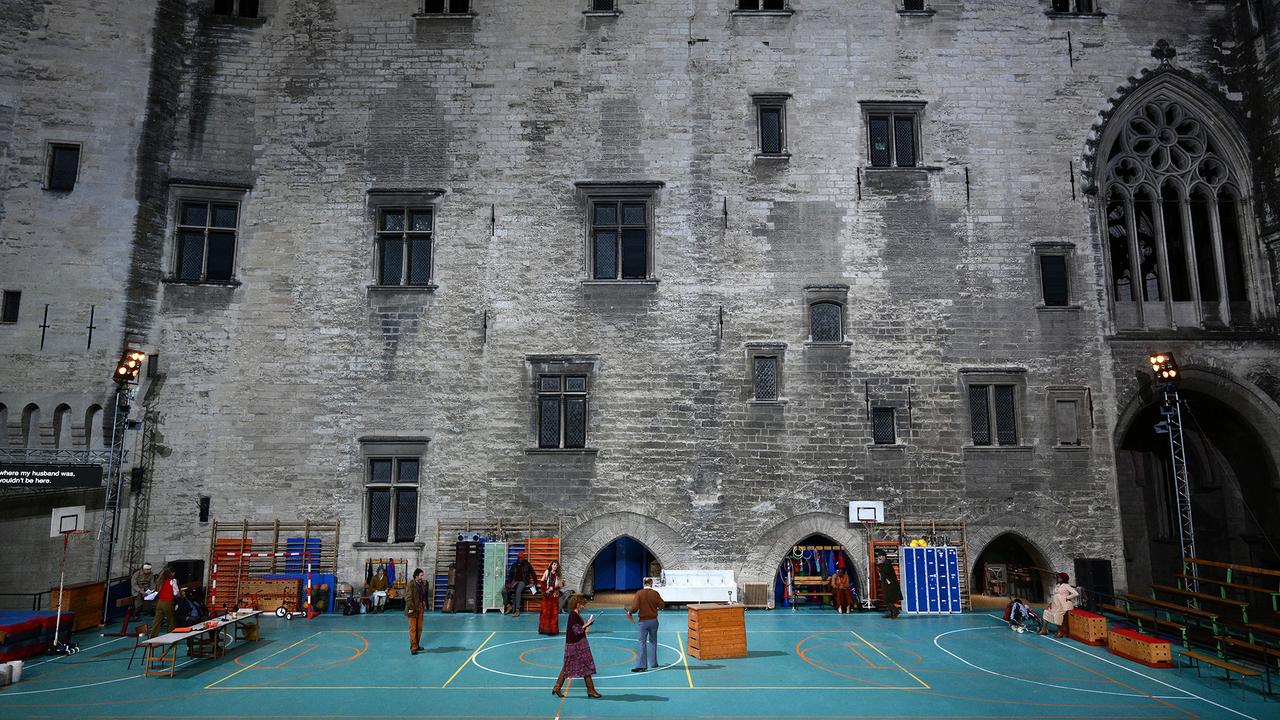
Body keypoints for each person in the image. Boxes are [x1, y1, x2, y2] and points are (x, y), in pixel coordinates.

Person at [552, 594, 601, 699]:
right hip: (576, 645)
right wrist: (587, 624)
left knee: (570, 666)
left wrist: (586, 624)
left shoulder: (575, 614)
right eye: (582, 604)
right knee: (586, 666)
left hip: (575, 644)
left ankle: (557, 687)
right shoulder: (573, 615)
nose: (584, 606)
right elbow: (577, 631)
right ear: (577, 604)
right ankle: (591, 690)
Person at [626, 577, 665, 672]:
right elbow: (662, 605)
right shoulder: (655, 593)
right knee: (653, 641)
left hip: (643, 622)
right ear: (651, 583)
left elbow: (635, 608)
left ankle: (642, 665)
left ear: (643, 583)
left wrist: (630, 612)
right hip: (654, 621)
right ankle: (654, 663)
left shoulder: (639, 593)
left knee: (642, 642)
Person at [1041, 572, 1079, 637]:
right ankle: (1044, 629)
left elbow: (1076, 593)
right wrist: (1050, 603)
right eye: (1058, 577)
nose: (1058, 579)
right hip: (1055, 604)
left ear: (1063, 579)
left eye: (1060, 578)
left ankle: (1060, 632)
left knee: (1057, 615)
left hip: (1064, 605)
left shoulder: (1066, 586)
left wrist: (1067, 597)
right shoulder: (1057, 585)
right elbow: (1054, 595)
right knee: (1046, 612)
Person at [503, 552, 536, 617]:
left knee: (518, 591)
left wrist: (536, 582)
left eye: (521, 558)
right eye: (519, 558)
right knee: (503, 591)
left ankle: (517, 610)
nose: (520, 559)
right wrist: (508, 583)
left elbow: (533, 573)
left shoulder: (527, 564)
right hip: (514, 581)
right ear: (517, 558)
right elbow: (510, 576)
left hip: (523, 581)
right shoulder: (514, 565)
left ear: (523, 558)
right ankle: (508, 606)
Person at [405, 568, 429, 654]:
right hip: (412, 609)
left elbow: (423, 596)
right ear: (416, 576)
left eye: (422, 575)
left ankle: (417, 645)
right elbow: (408, 598)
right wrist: (411, 608)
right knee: (413, 629)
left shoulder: (422, 583)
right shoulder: (410, 584)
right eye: (421, 575)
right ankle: (413, 647)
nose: (422, 577)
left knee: (419, 628)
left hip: (420, 608)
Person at [150, 567, 180, 637]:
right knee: (171, 619)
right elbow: (176, 593)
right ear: (172, 573)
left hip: (160, 602)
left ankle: (153, 636)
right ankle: (171, 635)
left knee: (157, 620)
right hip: (167, 602)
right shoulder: (173, 580)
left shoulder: (160, 581)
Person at [538, 561, 564, 635]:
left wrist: (555, 588)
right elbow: (542, 582)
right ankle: (544, 629)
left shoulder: (558, 575)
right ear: (551, 565)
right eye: (554, 564)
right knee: (545, 612)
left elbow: (560, 585)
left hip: (554, 596)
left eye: (556, 565)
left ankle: (552, 630)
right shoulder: (547, 572)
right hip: (547, 595)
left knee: (554, 613)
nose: (555, 566)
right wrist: (546, 590)